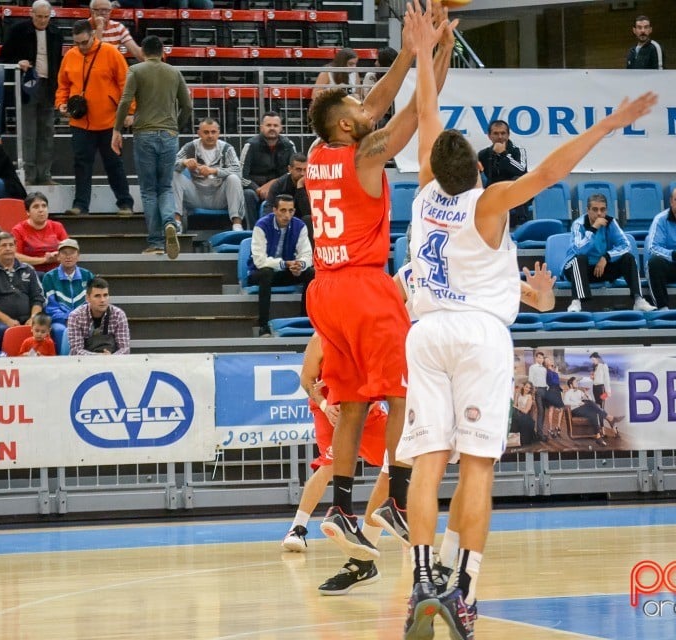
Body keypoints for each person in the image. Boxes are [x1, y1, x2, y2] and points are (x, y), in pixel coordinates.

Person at [398, 4, 657, 634]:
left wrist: (425, 52)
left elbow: (428, 112)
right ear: (480, 168)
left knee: (427, 463)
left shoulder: (426, 189)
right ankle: (463, 590)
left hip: (426, 331)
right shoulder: (487, 201)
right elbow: (549, 169)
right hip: (479, 335)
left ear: (433, 163)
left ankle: (419, 581)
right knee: (479, 467)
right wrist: (612, 123)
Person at [306, 0, 455, 564]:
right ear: (350, 126)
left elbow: (380, 103)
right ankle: (394, 496)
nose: (365, 102)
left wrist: (433, 54)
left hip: (325, 292)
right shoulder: (366, 155)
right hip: (366, 288)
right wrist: (427, 54)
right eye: (355, 103)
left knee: (347, 405)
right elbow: (415, 113)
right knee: (402, 392)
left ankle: (341, 507)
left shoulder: (322, 148)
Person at [283, 333, 392, 596]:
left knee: (398, 462)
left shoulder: (367, 333)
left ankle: (402, 521)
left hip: (367, 409)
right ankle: (297, 529)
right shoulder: (320, 338)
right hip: (330, 411)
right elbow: (306, 379)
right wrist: (323, 403)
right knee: (329, 464)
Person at [112, 34, 192, 257]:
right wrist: (176, 126)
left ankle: (156, 242)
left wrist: (117, 129)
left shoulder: (136, 71)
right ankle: (169, 222)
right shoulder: (174, 72)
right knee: (165, 186)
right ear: (163, 52)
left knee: (149, 190)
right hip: (169, 134)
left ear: (143, 52)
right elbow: (187, 106)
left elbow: (125, 101)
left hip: (144, 133)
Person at [56, 19, 134, 217]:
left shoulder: (111, 52)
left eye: (84, 42)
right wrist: (61, 103)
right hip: (80, 122)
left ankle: (125, 203)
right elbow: (63, 85)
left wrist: (130, 112)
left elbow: (126, 83)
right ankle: (80, 205)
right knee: (81, 164)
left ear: (93, 35)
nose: (81, 47)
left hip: (109, 121)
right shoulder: (70, 56)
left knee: (114, 163)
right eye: (77, 43)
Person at [0, 0, 63, 186]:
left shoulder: (56, 32)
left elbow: (57, 60)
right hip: (27, 85)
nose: (43, 20)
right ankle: (28, 174)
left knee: (47, 132)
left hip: (49, 85)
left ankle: (44, 174)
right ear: (31, 14)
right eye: (39, 16)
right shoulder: (18, 30)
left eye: (46, 17)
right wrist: (19, 62)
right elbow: (4, 54)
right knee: (28, 131)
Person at [563, 193, 655, 312]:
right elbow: (579, 250)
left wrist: (606, 257)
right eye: (595, 209)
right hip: (577, 269)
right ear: (588, 210)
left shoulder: (610, 222)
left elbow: (626, 245)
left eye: (603, 209)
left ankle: (639, 300)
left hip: (600, 268)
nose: (599, 213)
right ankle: (576, 301)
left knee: (628, 258)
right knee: (580, 259)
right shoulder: (578, 224)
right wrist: (593, 229)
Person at [248, 195, 314, 337]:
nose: (287, 215)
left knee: (310, 272)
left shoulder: (300, 226)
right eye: (283, 210)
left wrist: (299, 266)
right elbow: (259, 261)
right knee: (266, 273)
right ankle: (263, 325)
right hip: (259, 273)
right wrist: (285, 264)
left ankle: (304, 319)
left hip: (284, 271)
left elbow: (307, 255)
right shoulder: (261, 225)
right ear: (274, 210)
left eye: (290, 211)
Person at [173, 118, 246, 231]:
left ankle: (237, 224)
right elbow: (171, 165)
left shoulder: (226, 148)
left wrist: (215, 171)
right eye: (206, 132)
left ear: (218, 133)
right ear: (199, 133)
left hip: (219, 196)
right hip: (196, 195)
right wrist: (184, 162)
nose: (210, 136)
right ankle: (176, 223)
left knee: (234, 179)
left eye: (213, 132)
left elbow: (238, 171)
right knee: (175, 175)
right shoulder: (190, 147)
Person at [0, 232, 46, 347]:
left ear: (15, 247)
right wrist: (7, 320)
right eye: (4, 245)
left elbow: (38, 298)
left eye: (11, 245)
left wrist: (33, 318)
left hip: (28, 318)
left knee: (44, 328)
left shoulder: (28, 269)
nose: (8, 248)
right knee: (3, 331)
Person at [240, 112, 297, 227]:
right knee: (248, 194)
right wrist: (258, 189)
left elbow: (293, 171)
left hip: (280, 188)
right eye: (268, 125)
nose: (272, 128)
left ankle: (288, 228)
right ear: (261, 127)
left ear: (281, 128)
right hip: (255, 188)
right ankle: (253, 230)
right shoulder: (250, 145)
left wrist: (273, 184)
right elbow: (241, 175)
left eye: (275, 126)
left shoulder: (289, 145)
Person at [477, 119, 531, 228]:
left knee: (517, 180)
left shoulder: (518, 150)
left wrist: (504, 154)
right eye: (496, 133)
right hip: (494, 193)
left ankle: (520, 223)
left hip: (516, 193)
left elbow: (521, 171)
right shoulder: (483, 154)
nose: (500, 137)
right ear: (489, 136)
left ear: (508, 134)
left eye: (503, 133)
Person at [42, 238, 94, 341]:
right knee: (60, 331)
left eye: (72, 253)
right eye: (64, 253)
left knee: (93, 329)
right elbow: (50, 307)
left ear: (78, 256)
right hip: (60, 321)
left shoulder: (88, 275)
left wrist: (80, 319)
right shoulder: (49, 277)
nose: (68, 256)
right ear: (58, 257)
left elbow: (92, 302)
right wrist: (67, 319)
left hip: (84, 320)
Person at [66, 276, 131, 355]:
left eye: (105, 295)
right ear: (87, 298)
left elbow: (125, 349)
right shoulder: (75, 316)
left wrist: (111, 358)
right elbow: (75, 350)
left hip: (113, 362)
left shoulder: (119, 315)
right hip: (84, 364)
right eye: (97, 296)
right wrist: (98, 357)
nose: (102, 300)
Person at [12, 192, 69, 273]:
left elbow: (70, 250)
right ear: (28, 212)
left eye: (44, 206)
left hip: (57, 273)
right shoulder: (18, 230)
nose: (41, 210)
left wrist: (57, 255)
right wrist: (44, 260)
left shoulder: (57, 226)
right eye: (36, 207)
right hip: (30, 274)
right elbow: (15, 256)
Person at [262, 153, 310, 221]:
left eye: (305, 170)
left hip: (303, 224)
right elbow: (269, 209)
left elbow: (307, 213)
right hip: (283, 222)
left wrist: (300, 187)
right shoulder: (279, 185)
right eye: (298, 170)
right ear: (290, 169)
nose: (302, 174)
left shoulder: (312, 185)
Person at [527, 351, 549, 442]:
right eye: (539, 357)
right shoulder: (532, 367)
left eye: (542, 358)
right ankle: (539, 434)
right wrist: (532, 392)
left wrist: (548, 387)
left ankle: (540, 432)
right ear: (536, 358)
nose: (541, 359)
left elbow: (545, 380)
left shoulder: (544, 369)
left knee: (543, 412)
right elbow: (530, 380)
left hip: (545, 390)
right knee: (540, 411)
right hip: (537, 390)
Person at [511, 382, 537, 447]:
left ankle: (518, 440)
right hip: (517, 412)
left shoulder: (529, 397)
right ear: (523, 386)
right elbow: (514, 404)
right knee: (512, 416)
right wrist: (515, 407)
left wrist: (517, 408)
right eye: (526, 387)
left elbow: (526, 411)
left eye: (529, 388)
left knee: (517, 418)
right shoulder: (519, 394)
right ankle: (511, 438)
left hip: (524, 416)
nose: (527, 389)